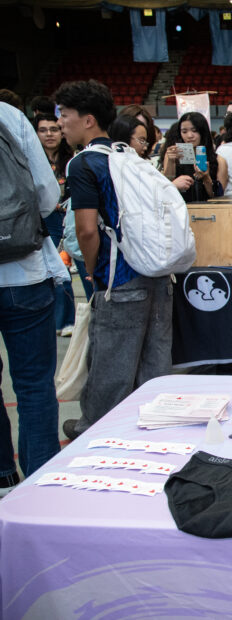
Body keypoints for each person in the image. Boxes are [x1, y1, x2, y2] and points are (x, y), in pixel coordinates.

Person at [55, 80, 173, 440]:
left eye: (65, 115)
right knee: (154, 365)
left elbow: (87, 229)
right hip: (157, 271)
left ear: (88, 120)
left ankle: (97, 435)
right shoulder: (130, 158)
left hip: (118, 277)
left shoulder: (84, 163)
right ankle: (152, 434)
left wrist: (93, 272)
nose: (61, 123)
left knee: (111, 366)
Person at [0, 102, 69, 494]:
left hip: (24, 272)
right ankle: (39, 482)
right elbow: (46, 195)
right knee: (33, 384)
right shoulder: (8, 115)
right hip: (23, 271)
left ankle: (2, 476)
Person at [35, 112, 76, 335]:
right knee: (58, 271)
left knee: (83, 268)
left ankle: (84, 320)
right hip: (47, 220)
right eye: (43, 130)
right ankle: (63, 321)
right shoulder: (32, 160)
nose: (49, 134)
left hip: (73, 217)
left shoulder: (73, 158)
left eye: (53, 129)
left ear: (61, 132)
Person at [162, 111, 227, 202]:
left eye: (194, 131)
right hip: (180, 209)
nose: (189, 136)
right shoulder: (173, 155)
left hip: (208, 212)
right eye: (184, 131)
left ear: (202, 131)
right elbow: (165, 187)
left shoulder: (219, 160)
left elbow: (219, 197)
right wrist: (170, 162)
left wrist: (206, 178)